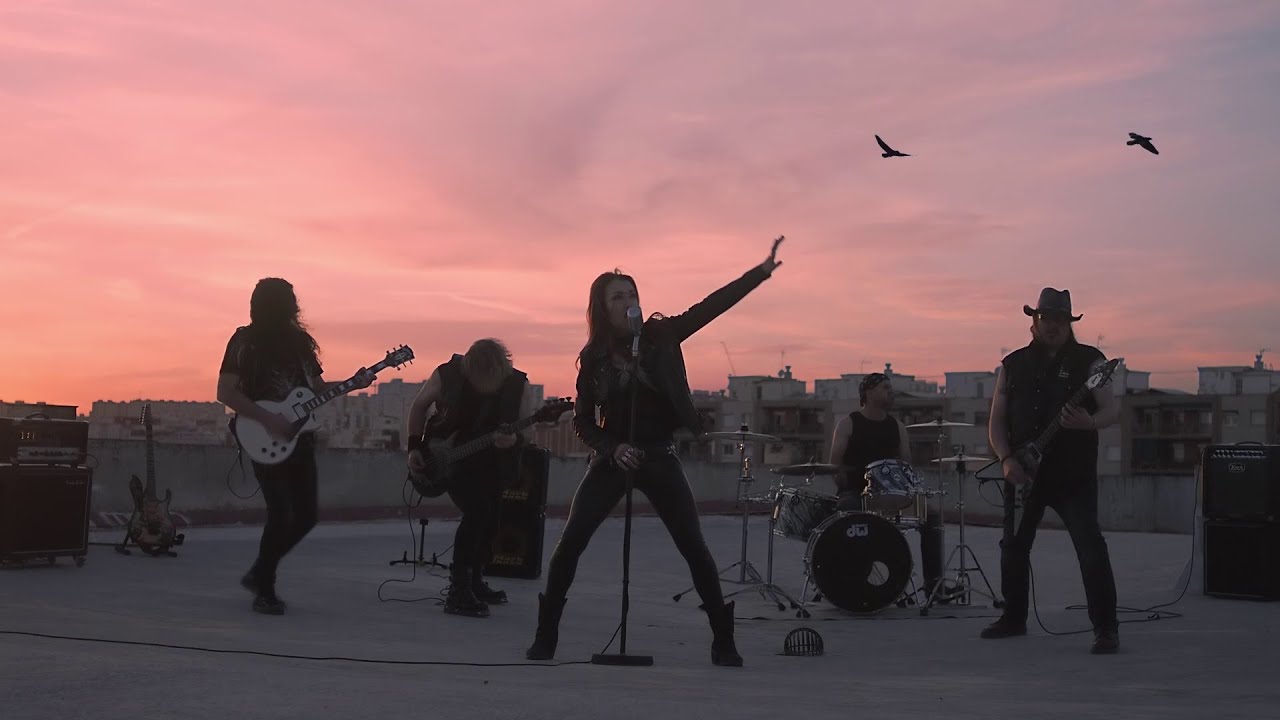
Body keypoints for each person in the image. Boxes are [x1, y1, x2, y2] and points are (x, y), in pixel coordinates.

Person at [525, 236, 786, 667]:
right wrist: (612, 448)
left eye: (632, 293)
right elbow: (582, 421)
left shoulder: (661, 335)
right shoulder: (593, 358)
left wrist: (759, 273)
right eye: (618, 296)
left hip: (659, 455)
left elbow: (711, 307)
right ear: (602, 308)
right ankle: (545, 634)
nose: (629, 301)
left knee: (693, 547)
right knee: (570, 542)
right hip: (613, 458)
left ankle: (723, 640)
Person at [217, 277, 374, 615]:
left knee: (306, 516)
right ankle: (265, 588)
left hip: (301, 436)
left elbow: (317, 389)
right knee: (280, 514)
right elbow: (225, 392)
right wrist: (268, 418)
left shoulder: (301, 345)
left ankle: (260, 572)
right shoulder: (244, 341)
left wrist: (354, 383)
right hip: (261, 434)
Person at [982, 288, 1121, 654]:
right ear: (1034, 320)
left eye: (1060, 319)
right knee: (1013, 547)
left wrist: (1089, 422)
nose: (1053, 325)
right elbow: (996, 421)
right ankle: (1013, 618)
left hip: (1073, 475)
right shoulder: (1012, 364)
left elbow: (1111, 410)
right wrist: (1006, 460)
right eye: (1046, 318)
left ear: (1069, 323)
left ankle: (1106, 629)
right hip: (1023, 472)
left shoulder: (1091, 361)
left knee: (1090, 547)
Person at [406, 339, 535, 618]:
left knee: (492, 520)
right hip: (447, 459)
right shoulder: (447, 374)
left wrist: (514, 440)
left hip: (493, 464)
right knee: (477, 514)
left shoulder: (518, 385)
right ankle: (459, 589)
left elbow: (529, 432)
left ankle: (475, 581)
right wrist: (415, 447)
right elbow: (419, 407)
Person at [828, 372, 949, 600]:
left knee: (932, 516)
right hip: (856, 494)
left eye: (890, 388)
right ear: (868, 392)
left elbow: (906, 465)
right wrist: (845, 482)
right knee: (846, 509)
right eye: (885, 387)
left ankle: (934, 586)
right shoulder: (848, 424)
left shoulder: (897, 427)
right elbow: (834, 466)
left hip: (891, 495)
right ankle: (844, 579)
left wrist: (908, 491)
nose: (890, 392)